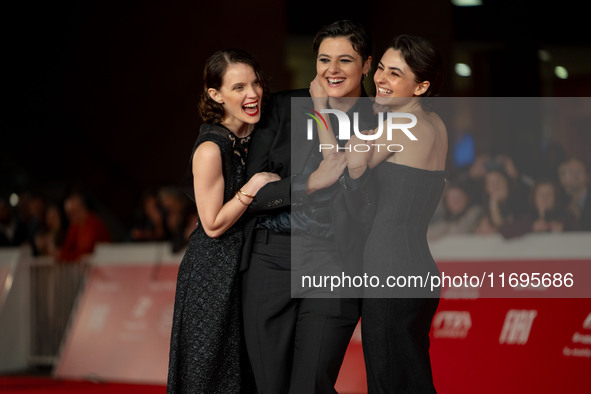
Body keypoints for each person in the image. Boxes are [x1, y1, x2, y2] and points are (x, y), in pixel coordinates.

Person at [241, 20, 373, 393]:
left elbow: (363, 203)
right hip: (270, 259)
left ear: (366, 65)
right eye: (323, 59)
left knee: (311, 385)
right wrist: (308, 184)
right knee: (269, 385)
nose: (332, 70)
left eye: (344, 60)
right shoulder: (282, 107)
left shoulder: (382, 121)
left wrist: (320, 110)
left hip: (336, 262)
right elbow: (251, 195)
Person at [327, 34, 446, 393]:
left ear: (421, 85)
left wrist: (324, 108)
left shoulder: (398, 128)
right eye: (381, 68)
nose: (380, 78)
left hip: (389, 272)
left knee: (390, 381)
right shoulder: (434, 124)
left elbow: (340, 170)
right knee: (411, 379)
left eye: (395, 74)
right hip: (417, 269)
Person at [166, 49, 279, 393]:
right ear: (216, 95)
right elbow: (212, 223)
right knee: (210, 374)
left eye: (256, 83)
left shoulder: (255, 137)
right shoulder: (211, 148)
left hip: (246, 267)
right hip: (212, 274)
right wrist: (254, 185)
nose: (252, 93)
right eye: (239, 87)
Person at [58, 192, 111, 261]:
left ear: (82, 208)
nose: (69, 218)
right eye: (68, 215)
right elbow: (66, 250)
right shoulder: (74, 226)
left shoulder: (94, 223)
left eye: (72, 213)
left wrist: (66, 256)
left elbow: (87, 251)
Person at [557, 157, 591, 230]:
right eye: (570, 172)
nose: (574, 176)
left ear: (588, 176)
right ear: (562, 178)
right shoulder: (558, 200)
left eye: (579, 171)